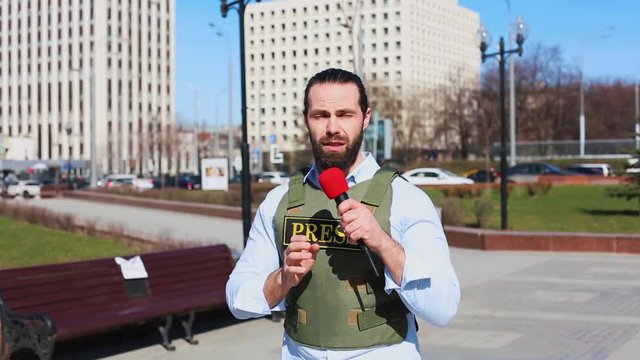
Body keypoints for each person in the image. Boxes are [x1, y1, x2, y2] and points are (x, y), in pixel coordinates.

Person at [226, 68, 460, 359]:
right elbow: (237, 299)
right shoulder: (279, 201)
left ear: (366, 118)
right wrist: (284, 278)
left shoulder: (406, 199)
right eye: (321, 115)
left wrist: (382, 242)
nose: (333, 127)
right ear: (306, 120)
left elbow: (444, 307)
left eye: (345, 114)